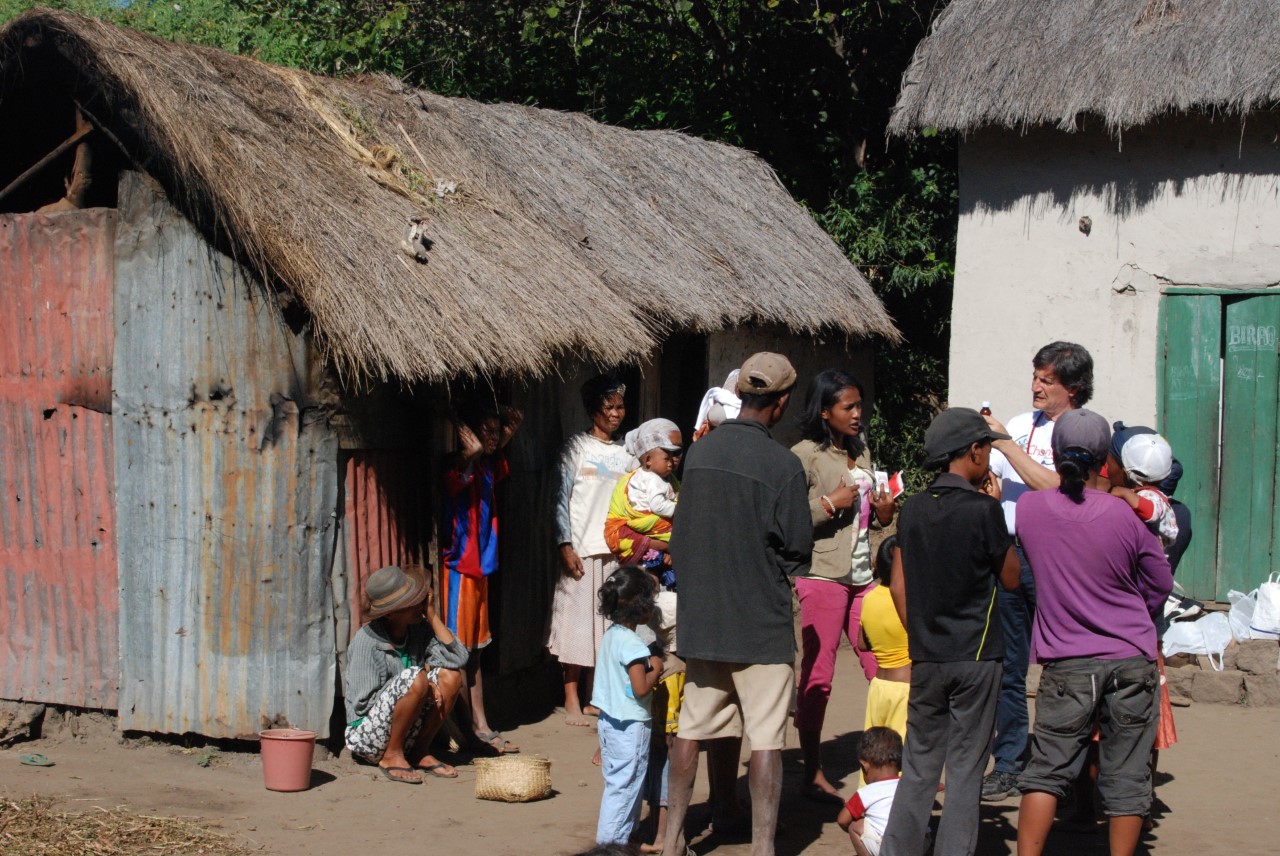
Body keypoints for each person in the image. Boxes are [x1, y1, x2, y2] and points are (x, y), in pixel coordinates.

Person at [663, 352, 813, 856]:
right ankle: (762, 847)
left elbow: (680, 538)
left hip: (704, 621)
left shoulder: (700, 455)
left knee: (692, 728)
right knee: (767, 740)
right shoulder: (783, 465)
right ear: (782, 401)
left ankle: (672, 840)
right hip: (760, 626)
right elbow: (796, 550)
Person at [1013, 409, 1173, 856]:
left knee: (1046, 770)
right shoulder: (1125, 516)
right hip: (1130, 658)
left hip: (1066, 662)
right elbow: (1159, 581)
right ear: (1105, 460)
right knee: (1127, 772)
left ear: (1056, 452)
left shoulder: (1029, 509)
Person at [879, 407, 1020, 856]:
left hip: (927, 655)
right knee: (965, 769)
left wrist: (921, 632)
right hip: (977, 657)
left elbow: (898, 584)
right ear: (975, 451)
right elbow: (1012, 578)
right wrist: (997, 514)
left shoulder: (914, 509)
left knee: (920, 765)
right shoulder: (984, 511)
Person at [980, 341, 1095, 802]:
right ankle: (1010, 761)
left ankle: (1067, 767)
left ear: (1074, 388)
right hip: (1013, 555)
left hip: (1059, 562)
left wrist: (1005, 446)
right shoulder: (1020, 424)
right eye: (1035, 376)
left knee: (1068, 667)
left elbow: (1058, 488)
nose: (1036, 387)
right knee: (1008, 666)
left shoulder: (1082, 432)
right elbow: (990, 477)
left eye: (1047, 380)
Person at [790, 369, 896, 801]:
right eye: (847, 407)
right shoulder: (803, 456)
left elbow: (875, 517)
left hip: (862, 577)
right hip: (823, 575)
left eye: (859, 405)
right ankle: (812, 770)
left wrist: (886, 512)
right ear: (824, 411)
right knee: (819, 674)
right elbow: (790, 518)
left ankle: (888, 767)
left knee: (884, 667)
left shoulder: (861, 449)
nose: (857, 414)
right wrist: (830, 503)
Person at [551, 375, 634, 726]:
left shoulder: (627, 453)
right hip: (583, 549)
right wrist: (564, 544)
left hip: (615, 551)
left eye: (620, 407)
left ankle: (594, 698)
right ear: (592, 410)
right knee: (576, 626)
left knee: (604, 626)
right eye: (609, 407)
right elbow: (560, 498)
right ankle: (570, 697)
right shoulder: (575, 448)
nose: (616, 414)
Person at [440, 400, 522, 754]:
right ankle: (463, 729)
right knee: (458, 652)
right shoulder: (457, 468)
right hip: (459, 568)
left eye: (496, 430)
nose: (494, 437)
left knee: (474, 653)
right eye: (486, 431)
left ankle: (480, 723)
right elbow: (459, 477)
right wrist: (473, 449)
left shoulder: (488, 466)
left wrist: (501, 437)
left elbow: (501, 449)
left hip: (481, 569)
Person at [343, 564, 469, 784]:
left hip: (407, 731)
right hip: (368, 738)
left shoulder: (419, 630)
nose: (419, 605)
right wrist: (421, 687)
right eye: (412, 603)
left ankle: (419, 752)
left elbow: (458, 658)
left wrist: (432, 615)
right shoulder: (367, 641)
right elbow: (362, 706)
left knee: (452, 676)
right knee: (416, 677)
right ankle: (391, 755)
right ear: (390, 614)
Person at [593, 566, 665, 846]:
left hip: (609, 722)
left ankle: (625, 840)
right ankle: (611, 847)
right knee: (626, 787)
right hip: (630, 727)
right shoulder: (635, 646)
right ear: (641, 608)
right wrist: (656, 666)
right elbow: (641, 688)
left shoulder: (612, 636)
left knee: (617, 784)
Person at [605, 419, 683, 565]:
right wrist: (669, 546)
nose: (674, 459)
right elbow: (617, 531)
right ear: (648, 459)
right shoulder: (630, 483)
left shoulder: (671, 481)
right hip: (639, 566)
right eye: (670, 453)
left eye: (678, 451)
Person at [859, 536, 910, 743]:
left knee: (875, 752)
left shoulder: (869, 598)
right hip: (905, 687)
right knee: (899, 756)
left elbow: (862, 644)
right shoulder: (909, 599)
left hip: (879, 686)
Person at [837, 727, 905, 856]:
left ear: (864, 765)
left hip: (887, 847)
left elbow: (842, 820)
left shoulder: (867, 792)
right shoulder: (909, 785)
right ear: (900, 764)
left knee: (855, 827)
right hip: (918, 844)